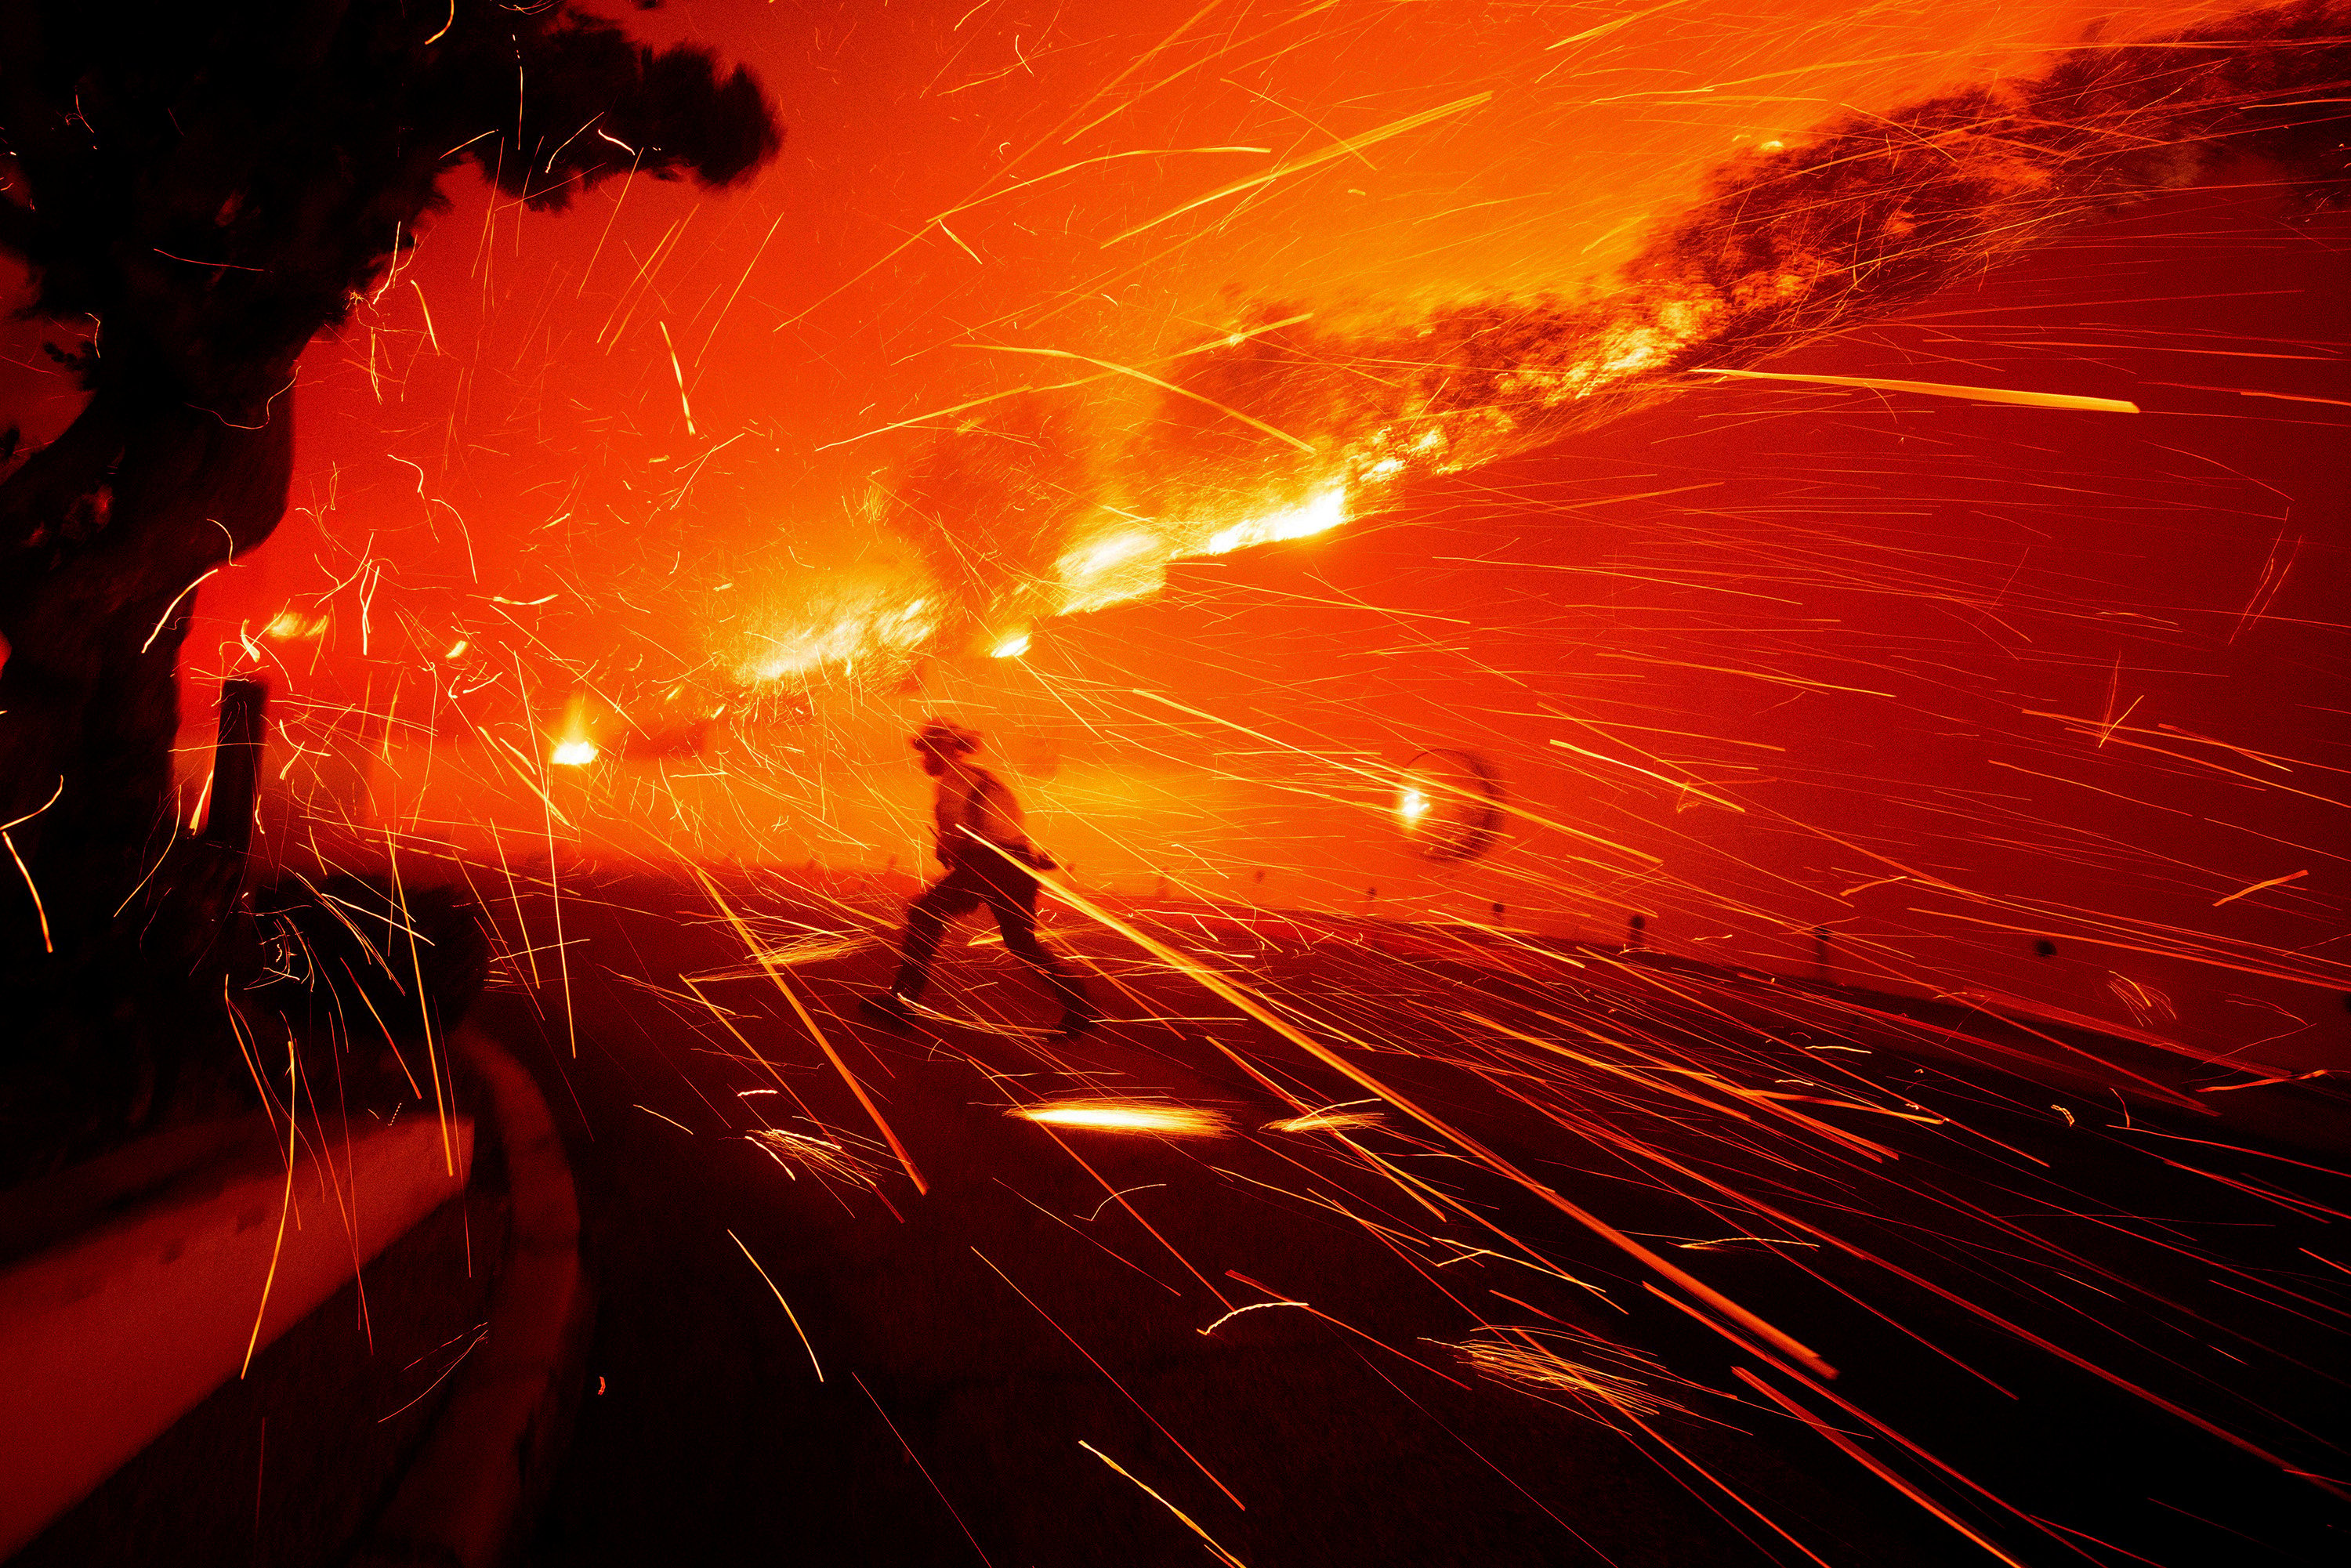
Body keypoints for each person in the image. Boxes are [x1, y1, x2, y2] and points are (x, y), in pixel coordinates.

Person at [864, 719, 1095, 1034]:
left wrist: (945, 848)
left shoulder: (952, 780)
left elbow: (954, 829)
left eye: (926, 751)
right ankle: (1080, 1007)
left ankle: (903, 1005)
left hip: (988, 865)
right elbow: (1010, 825)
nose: (923, 759)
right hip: (1018, 864)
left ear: (942, 748)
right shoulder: (988, 779)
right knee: (1021, 943)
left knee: (923, 916)